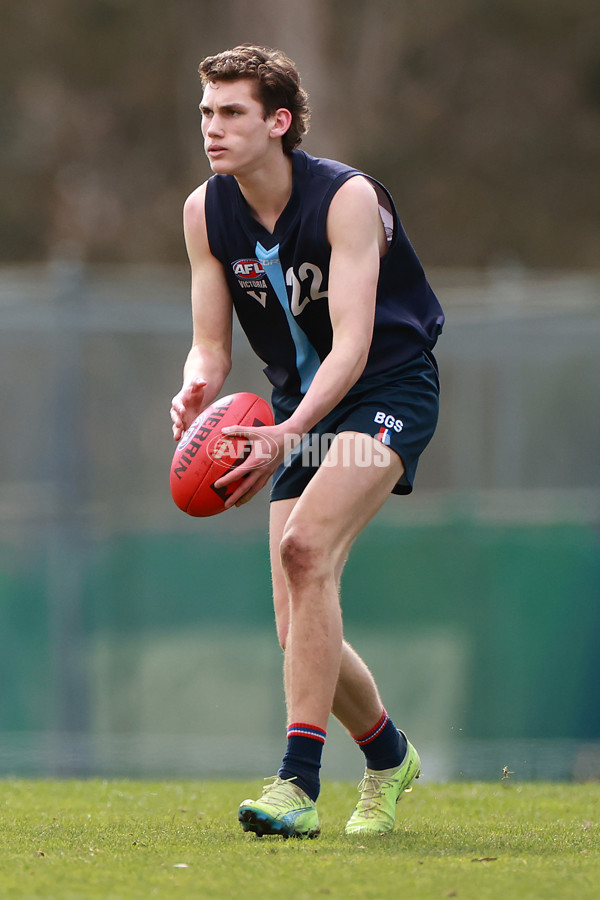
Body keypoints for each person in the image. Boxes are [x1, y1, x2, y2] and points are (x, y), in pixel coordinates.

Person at [170, 45, 444, 838]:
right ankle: (390, 755)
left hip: (384, 395)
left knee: (304, 552)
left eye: (231, 113)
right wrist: (195, 384)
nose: (212, 130)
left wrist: (289, 435)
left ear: (278, 121)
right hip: (296, 409)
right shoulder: (204, 212)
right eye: (205, 114)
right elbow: (211, 347)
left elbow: (354, 346)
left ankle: (297, 783)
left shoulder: (345, 198)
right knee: (297, 629)